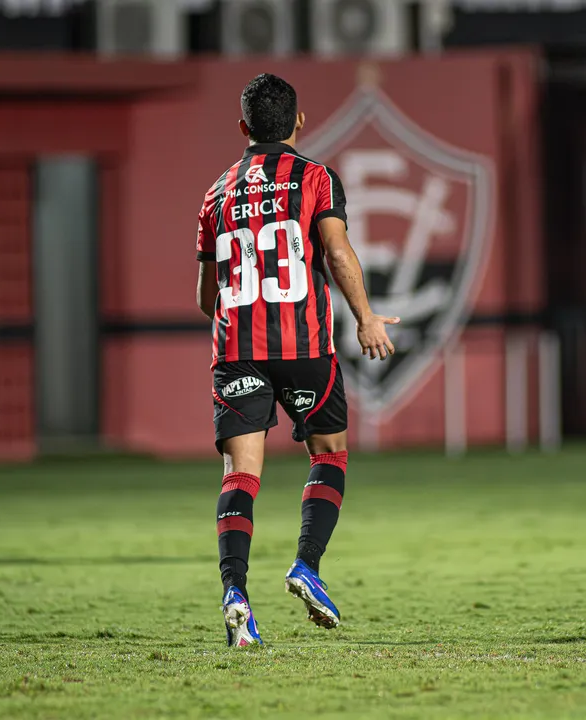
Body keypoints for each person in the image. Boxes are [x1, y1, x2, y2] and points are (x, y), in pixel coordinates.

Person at [195, 73, 399, 647]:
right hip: (303, 345)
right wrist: (365, 317)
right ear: (299, 123)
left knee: (241, 474)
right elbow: (335, 250)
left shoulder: (214, 194)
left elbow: (205, 299)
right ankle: (306, 564)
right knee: (330, 452)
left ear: (243, 128)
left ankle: (235, 593)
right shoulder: (315, 178)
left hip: (237, 351)